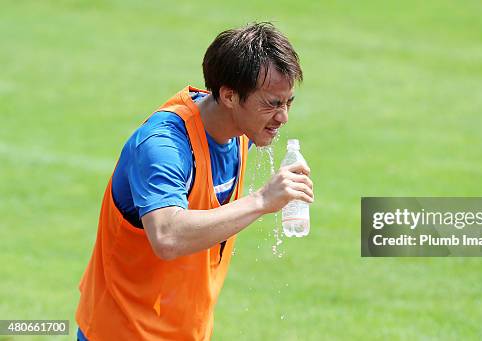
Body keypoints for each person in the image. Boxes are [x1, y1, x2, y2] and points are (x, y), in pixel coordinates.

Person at [75, 22, 314, 341]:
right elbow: (168, 236)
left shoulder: (237, 132)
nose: (283, 116)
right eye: (272, 103)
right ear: (229, 95)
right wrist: (261, 201)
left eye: (288, 103)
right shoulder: (163, 146)